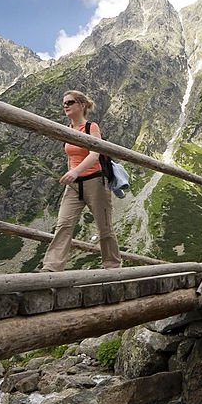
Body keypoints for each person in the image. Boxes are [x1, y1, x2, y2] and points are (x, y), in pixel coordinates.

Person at [40, 90, 123, 271]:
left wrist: (75, 171)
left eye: (70, 102)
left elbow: (95, 154)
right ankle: (52, 267)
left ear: (82, 105)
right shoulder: (67, 129)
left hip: (95, 182)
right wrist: (72, 173)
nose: (65, 106)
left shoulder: (91, 127)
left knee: (105, 227)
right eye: (64, 103)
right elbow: (70, 155)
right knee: (63, 224)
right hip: (74, 186)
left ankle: (112, 266)